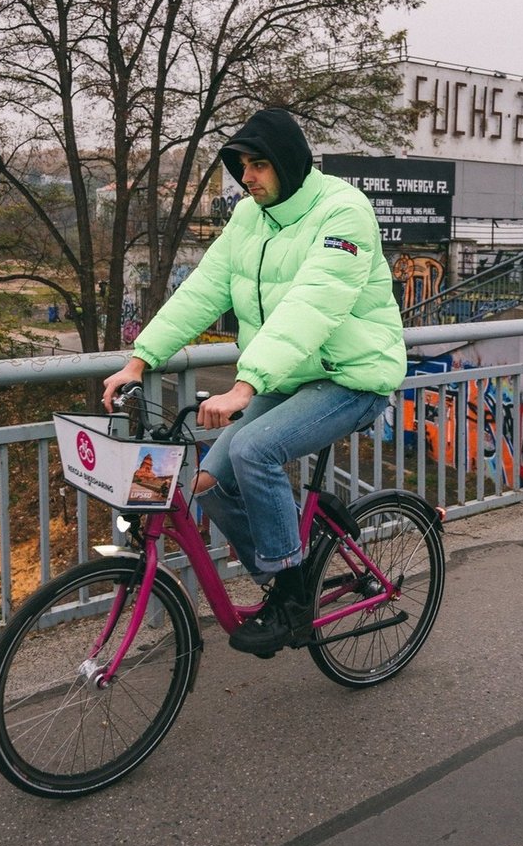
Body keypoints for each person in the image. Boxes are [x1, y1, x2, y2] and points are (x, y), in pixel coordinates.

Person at [102, 108, 407, 657]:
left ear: (288, 163)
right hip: (287, 374)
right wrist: (140, 359)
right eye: (243, 166)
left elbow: (312, 304)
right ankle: (293, 554)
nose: (248, 177)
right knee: (207, 483)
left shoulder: (344, 212)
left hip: (351, 379)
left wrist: (246, 385)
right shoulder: (250, 218)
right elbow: (204, 290)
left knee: (253, 450)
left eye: (259, 164)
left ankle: (292, 595)